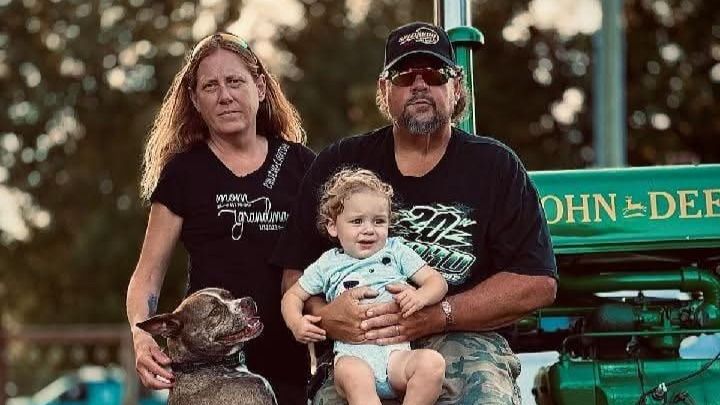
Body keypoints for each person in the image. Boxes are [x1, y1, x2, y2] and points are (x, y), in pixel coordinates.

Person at [273, 21, 558, 404]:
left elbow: (537, 281)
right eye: (405, 76)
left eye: (435, 74)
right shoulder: (340, 162)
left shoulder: (496, 166)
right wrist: (327, 316)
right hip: (359, 347)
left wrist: (440, 313)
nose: (420, 85)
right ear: (384, 89)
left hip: (465, 339)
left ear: (456, 88)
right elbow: (295, 273)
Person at [126, 32, 315, 405]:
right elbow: (147, 274)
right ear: (195, 100)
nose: (224, 95)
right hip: (208, 377)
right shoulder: (184, 173)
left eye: (235, 81)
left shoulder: (301, 164)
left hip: (289, 366)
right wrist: (141, 334)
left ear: (260, 87)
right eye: (210, 86)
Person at [281, 168, 448, 404]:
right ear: (333, 226)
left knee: (432, 364)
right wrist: (296, 323)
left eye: (378, 221)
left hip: (396, 356)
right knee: (356, 378)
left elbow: (436, 282)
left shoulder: (396, 251)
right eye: (357, 221)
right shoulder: (328, 263)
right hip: (353, 357)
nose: (369, 229)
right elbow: (292, 296)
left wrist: (420, 296)